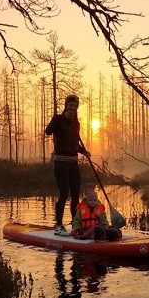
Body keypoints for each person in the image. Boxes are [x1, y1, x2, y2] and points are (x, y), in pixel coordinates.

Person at [45, 94, 90, 236]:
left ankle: (75, 224)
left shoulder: (76, 123)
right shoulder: (58, 119)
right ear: (66, 106)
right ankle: (58, 225)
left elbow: (75, 143)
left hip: (73, 162)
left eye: (75, 106)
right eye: (70, 105)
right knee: (64, 193)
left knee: (76, 194)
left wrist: (84, 151)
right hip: (60, 161)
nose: (72, 107)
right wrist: (63, 118)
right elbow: (48, 131)